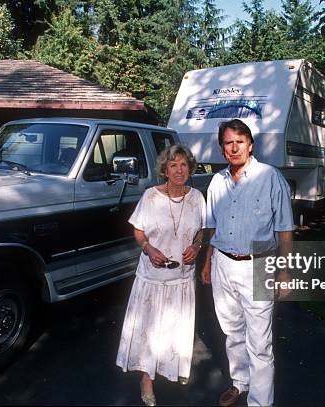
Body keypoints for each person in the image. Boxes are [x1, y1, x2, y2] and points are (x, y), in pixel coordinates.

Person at [201, 119, 293, 406]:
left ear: (250, 145)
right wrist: (207, 262)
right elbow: (212, 228)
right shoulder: (217, 182)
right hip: (222, 265)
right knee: (232, 331)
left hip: (258, 266)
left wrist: (285, 271)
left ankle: (260, 402)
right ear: (222, 148)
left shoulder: (270, 177)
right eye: (228, 142)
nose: (234, 147)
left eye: (239, 141)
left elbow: (285, 229)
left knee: (260, 344)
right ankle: (239, 383)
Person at [116, 144, 206, 406]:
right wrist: (148, 248)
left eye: (184, 165)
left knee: (175, 329)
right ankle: (147, 380)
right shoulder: (150, 197)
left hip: (181, 279)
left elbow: (201, 231)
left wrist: (197, 245)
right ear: (164, 170)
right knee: (150, 332)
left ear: (190, 168)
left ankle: (171, 367)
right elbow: (139, 231)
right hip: (152, 280)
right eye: (173, 165)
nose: (179, 170)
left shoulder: (197, 198)